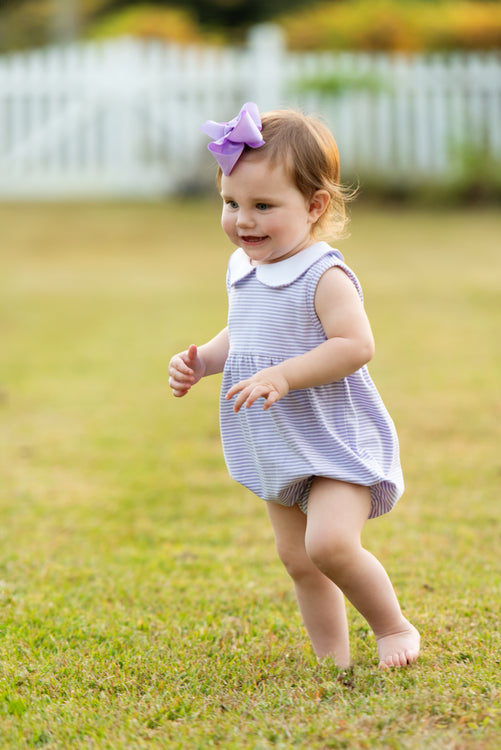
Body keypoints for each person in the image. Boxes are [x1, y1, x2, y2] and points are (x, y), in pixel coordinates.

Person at [168, 102, 420, 669]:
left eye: (263, 206)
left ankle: (393, 628)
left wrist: (286, 373)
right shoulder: (244, 268)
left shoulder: (323, 274)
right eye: (231, 204)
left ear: (314, 206)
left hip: (333, 439)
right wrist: (203, 361)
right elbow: (244, 331)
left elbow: (355, 345)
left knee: (328, 546)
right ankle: (334, 658)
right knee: (298, 559)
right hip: (277, 442)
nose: (243, 221)